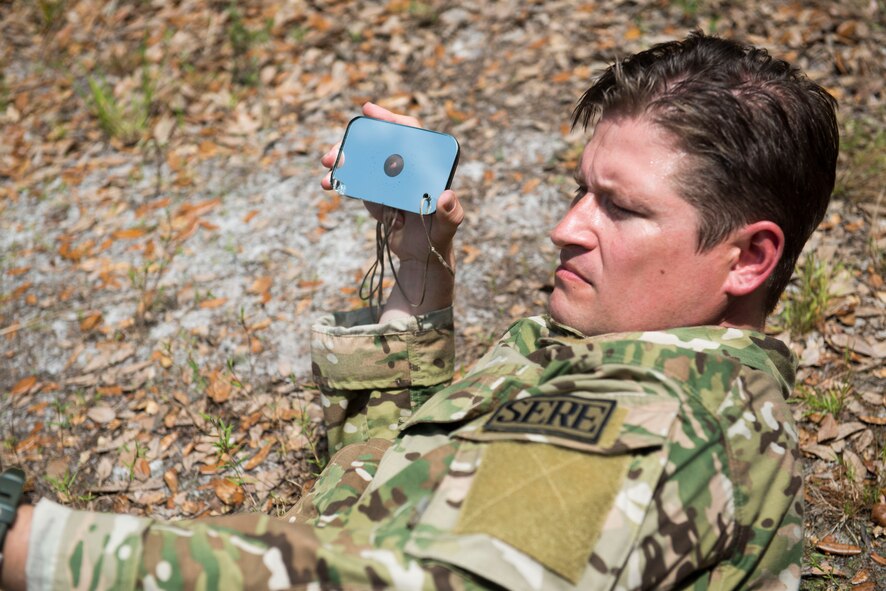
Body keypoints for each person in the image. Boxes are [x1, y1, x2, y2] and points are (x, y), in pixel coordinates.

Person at [0, 31, 838, 590]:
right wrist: (416, 258)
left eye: (620, 208)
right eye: (580, 188)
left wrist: (28, 541)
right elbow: (399, 479)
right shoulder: (625, 343)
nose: (566, 226)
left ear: (750, 257)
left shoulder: (655, 432)